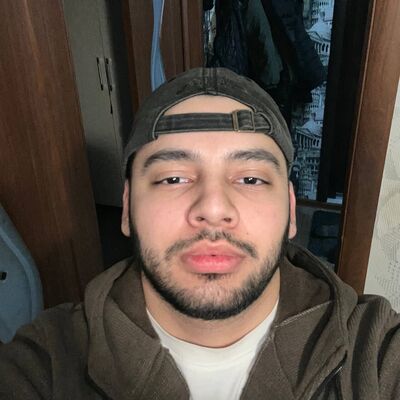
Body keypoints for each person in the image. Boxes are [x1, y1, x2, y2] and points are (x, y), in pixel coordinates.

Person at [0, 67, 399, 400]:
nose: (213, 208)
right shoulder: (46, 363)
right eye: (173, 178)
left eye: (250, 178)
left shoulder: (377, 355)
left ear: (291, 211)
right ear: (127, 208)